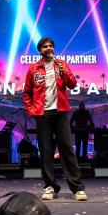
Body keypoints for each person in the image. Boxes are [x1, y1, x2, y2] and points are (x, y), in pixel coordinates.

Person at [23, 37, 87, 201]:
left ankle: (77, 188)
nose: (49, 48)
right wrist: (31, 111)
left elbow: (72, 84)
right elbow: (27, 93)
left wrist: (63, 71)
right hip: (42, 114)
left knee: (67, 149)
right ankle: (50, 186)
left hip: (60, 113)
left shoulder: (62, 64)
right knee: (46, 151)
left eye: (51, 46)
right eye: (45, 46)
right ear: (40, 50)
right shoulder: (33, 69)